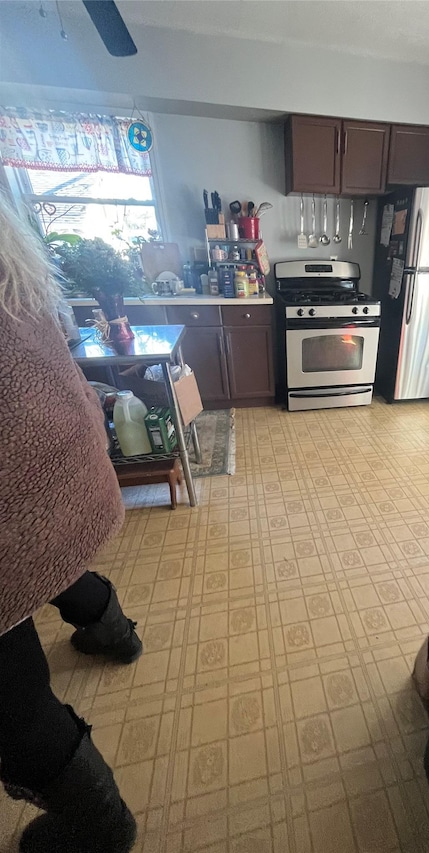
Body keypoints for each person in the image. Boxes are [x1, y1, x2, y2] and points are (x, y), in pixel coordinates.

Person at [0, 192, 141, 853]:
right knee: (48, 558)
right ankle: (115, 631)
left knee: (12, 707)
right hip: (66, 458)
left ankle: (103, 828)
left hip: (12, 485)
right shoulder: (12, 249)